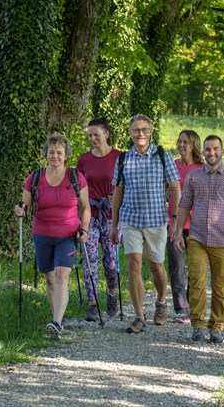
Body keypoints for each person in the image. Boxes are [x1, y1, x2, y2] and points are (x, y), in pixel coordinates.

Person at [174, 135, 224, 344]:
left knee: (219, 286)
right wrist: (178, 231)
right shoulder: (194, 177)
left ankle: (216, 326)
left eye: (215, 149)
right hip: (197, 237)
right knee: (196, 281)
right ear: (203, 152)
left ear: (222, 152)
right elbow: (184, 205)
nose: (211, 153)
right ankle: (197, 325)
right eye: (208, 149)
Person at [14, 133, 91, 338]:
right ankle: (56, 316)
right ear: (46, 154)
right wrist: (20, 210)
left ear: (66, 155)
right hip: (41, 234)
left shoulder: (76, 177)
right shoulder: (35, 177)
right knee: (49, 279)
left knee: (61, 276)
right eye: (51, 152)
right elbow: (26, 206)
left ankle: (56, 322)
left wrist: (84, 228)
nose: (55, 156)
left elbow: (85, 208)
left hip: (68, 235)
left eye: (59, 153)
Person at [110, 114, 181, 334]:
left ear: (151, 132)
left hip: (156, 221)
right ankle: (139, 316)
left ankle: (161, 301)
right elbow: (117, 193)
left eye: (144, 130)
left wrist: (175, 219)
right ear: (130, 133)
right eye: (136, 130)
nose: (140, 134)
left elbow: (175, 187)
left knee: (157, 266)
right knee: (133, 265)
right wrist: (115, 225)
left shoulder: (162, 156)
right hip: (130, 220)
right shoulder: (123, 159)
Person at [77, 117, 122, 322]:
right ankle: (93, 303)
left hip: (112, 217)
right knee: (90, 261)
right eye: (90, 135)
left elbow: (129, 185)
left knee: (111, 263)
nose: (93, 138)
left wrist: (120, 197)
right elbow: (78, 188)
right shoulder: (84, 160)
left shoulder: (120, 157)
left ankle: (112, 292)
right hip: (90, 215)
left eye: (96, 134)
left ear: (107, 133)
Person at [167, 130, 204, 324]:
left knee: (196, 268)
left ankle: (192, 304)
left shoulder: (203, 168)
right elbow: (164, 190)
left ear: (194, 145)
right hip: (174, 224)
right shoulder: (172, 166)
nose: (181, 145)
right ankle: (181, 309)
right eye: (179, 141)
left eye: (186, 142)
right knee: (176, 266)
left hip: (197, 225)